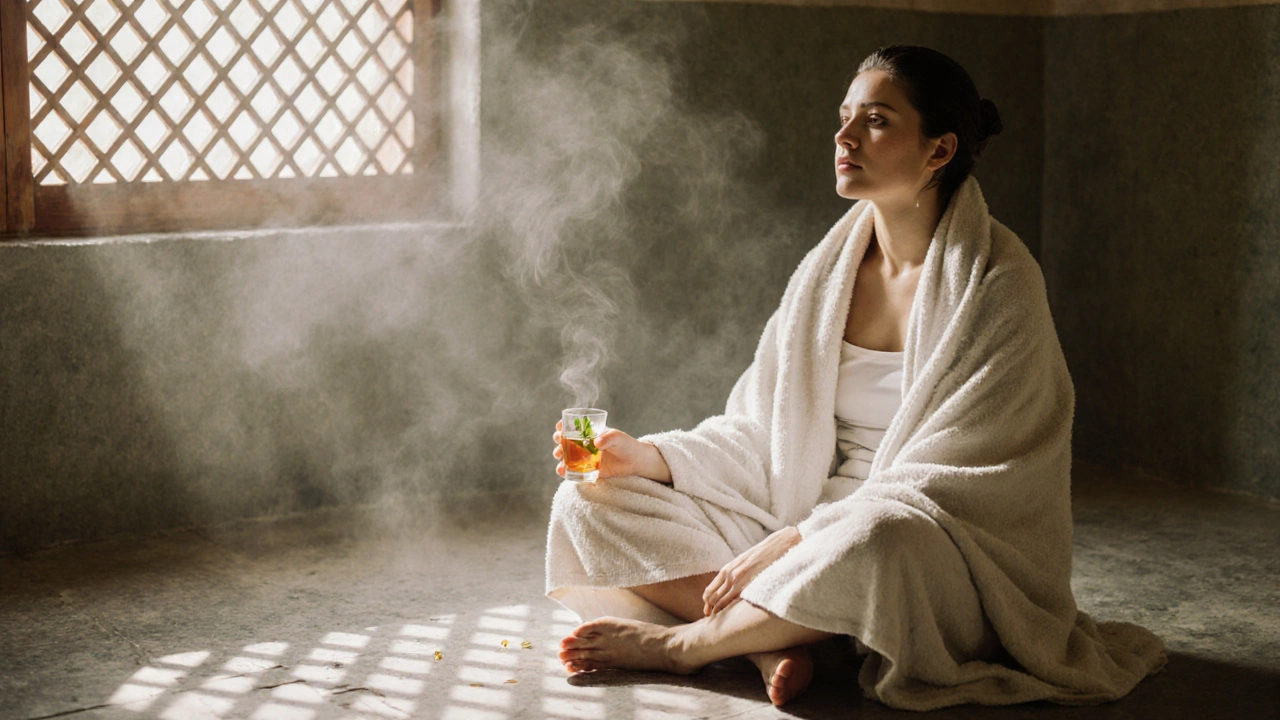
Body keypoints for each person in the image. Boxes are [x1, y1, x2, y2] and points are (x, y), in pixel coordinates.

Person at [545, 45, 1165, 710]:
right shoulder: (827, 274)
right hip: (803, 517)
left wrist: (799, 541)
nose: (844, 137)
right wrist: (653, 459)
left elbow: (965, 481)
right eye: (844, 117)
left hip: (925, 544)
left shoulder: (1000, 282)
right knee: (591, 498)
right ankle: (766, 640)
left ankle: (691, 644)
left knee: (880, 541)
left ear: (938, 150)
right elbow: (764, 432)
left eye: (875, 120)